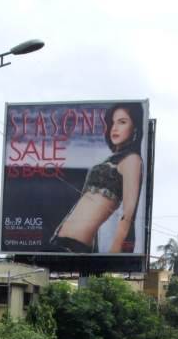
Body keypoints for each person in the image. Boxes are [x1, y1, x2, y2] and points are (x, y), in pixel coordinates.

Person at [51, 102, 144, 254]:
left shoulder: (132, 160)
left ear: (135, 127)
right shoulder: (111, 159)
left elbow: (127, 216)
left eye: (122, 122)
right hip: (60, 240)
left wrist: (113, 256)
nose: (114, 128)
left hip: (77, 245)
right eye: (112, 122)